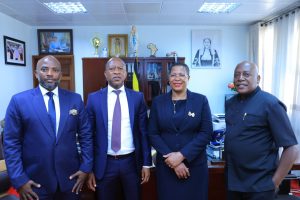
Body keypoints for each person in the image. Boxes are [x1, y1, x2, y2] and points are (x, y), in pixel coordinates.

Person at [3, 55, 93, 200]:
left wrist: (86, 168)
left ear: (60, 75)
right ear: (36, 73)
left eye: (55, 70)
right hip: (34, 184)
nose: (50, 73)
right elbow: (11, 143)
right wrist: (20, 180)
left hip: (71, 181)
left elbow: (86, 136)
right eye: (44, 69)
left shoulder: (75, 99)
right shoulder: (19, 101)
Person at [224, 61, 298, 200]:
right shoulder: (230, 103)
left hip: (260, 185)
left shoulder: (270, 104)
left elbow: (292, 148)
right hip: (233, 182)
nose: (240, 78)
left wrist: (275, 182)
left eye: (246, 74)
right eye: (236, 75)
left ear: (258, 79)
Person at [86, 57, 152, 200]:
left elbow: (144, 133)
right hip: (104, 164)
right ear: (105, 74)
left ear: (126, 74)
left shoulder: (137, 98)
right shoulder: (94, 99)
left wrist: (147, 163)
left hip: (131, 163)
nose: (116, 72)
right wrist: (89, 168)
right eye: (112, 69)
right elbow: (88, 136)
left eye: (120, 68)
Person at [148, 63, 213, 200]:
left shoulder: (200, 101)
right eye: (173, 75)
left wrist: (182, 155)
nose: (177, 78)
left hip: (194, 167)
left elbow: (206, 133)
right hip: (167, 167)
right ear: (168, 79)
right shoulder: (158, 102)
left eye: (181, 75)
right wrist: (173, 159)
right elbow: (153, 133)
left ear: (188, 78)